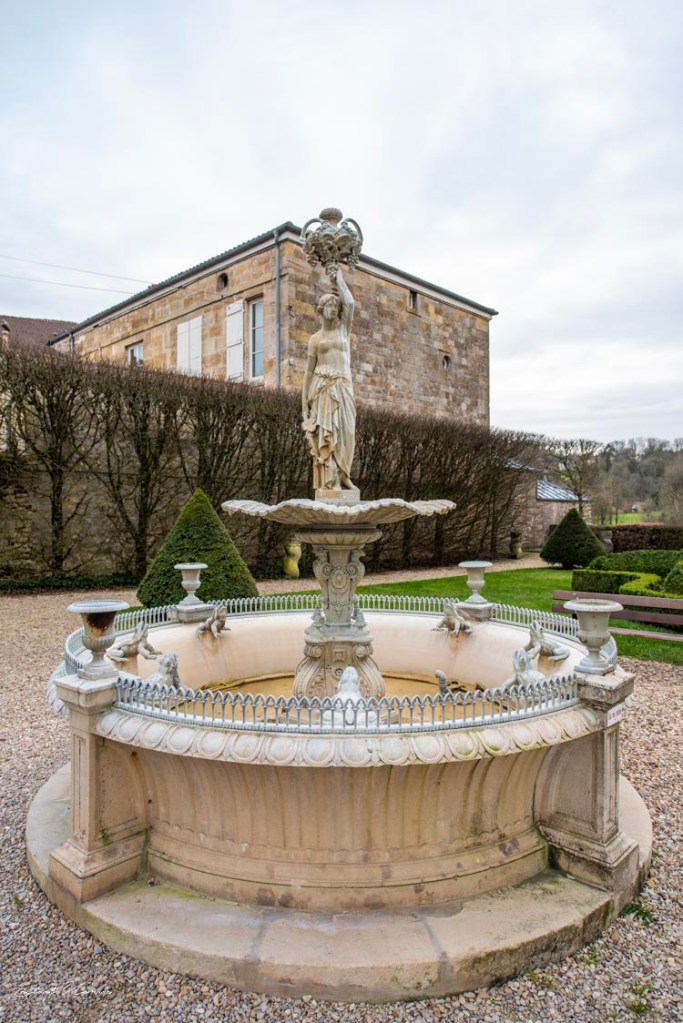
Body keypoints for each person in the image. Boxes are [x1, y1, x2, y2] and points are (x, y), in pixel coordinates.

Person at [301, 267, 357, 491]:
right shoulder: (315, 339)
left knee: (347, 432)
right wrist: (304, 400)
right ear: (321, 310)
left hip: (343, 386)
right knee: (327, 432)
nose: (333, 309)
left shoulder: (344, 330)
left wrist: (339, 279)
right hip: (322, 387)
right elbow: (308, 370)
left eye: (336, 305)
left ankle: (344, 475)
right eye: (329, 306)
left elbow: (350, 304)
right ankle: (331, 480)